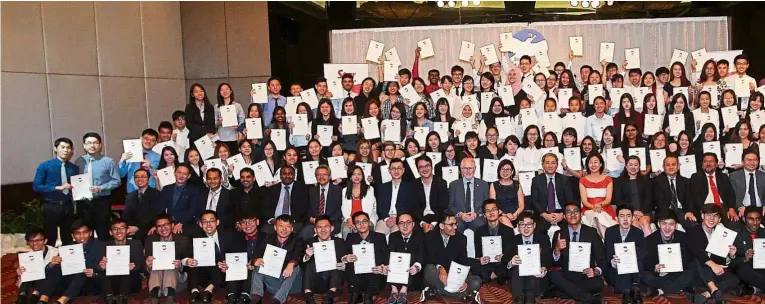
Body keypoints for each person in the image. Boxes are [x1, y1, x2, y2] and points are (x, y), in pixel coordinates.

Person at [549, 202, 607, 304]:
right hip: (567, 275)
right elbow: (553, 263)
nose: (572, 215)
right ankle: (589, 299)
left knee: (598, 283)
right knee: (553, 275)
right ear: (564, 216)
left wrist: (596, 271)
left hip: (585, 276)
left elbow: (602, 259)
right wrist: (557, 249)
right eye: (569, 212)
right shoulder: (559, 234)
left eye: (575, 211)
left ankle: (564, 292)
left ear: (580, 214)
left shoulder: (592, 233)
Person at [420, 211, 482, 304]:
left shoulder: (461, 238)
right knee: (429, 269)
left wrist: (462, 279)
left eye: (456, 223)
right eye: (451, 225)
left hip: (454, 274)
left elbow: (462, 261)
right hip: (437, 273)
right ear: (441, 226)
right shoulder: (430, 237)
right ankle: (465, 295)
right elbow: (428, 258)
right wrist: (441, 268)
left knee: (477, 281)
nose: (455, 227)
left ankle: (436, 292)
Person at [686, 203, 741, 303]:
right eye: (709, 215)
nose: (712, 218)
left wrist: (731, 255)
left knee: (735, 279)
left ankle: (708, 293)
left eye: (715, 215)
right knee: (700, 259)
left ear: (719, 219)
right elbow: (697, 252)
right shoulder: (692, 232)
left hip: (714, 274)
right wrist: (712, 264)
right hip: (698, 272)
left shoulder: (722, 234)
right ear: (702, 216)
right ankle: (714, 289)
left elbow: (723, 262)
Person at [74, 132, 121, 241]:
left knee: (103, 231)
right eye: (89, 143)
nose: (92, 145)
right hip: (84, 202)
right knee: (85, 232)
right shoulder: (79, 161)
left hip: (102, 201)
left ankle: (104, 255)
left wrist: (101, 187)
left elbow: (116, 181)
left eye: (95, 143)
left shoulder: (108, 161)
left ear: (100, 145)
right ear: (84, 145)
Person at [33, 137, 79, 246]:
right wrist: (57, 188)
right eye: (62, 147)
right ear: (55, 149)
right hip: (50, 205)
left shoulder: (73, 168)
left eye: (68, 148)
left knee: (68, 236)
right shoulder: (45, 166)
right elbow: (36, 186)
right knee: (50, 237)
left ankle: (68, 261)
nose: (66, 150)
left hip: (68, 206)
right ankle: (51, 261)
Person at [640, 211, 696, 298]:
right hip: (658, 275)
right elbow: (646, 263)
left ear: (676, 225)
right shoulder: (649, 240)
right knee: (646, 276)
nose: (667, 227)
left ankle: (660, 291)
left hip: (677, 273)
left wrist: (677, 263)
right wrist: (655, 267)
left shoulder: (683, 237)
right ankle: (677, 287)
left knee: (690, 272)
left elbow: (688, 259)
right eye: (664, 223)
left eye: (671, 224)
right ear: (659, 224)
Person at [251, 215, 304, 304]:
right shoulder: (268, 238)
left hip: (290, 284)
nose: (284, 229)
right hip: (273, 280)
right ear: (275, 227)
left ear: (292, 229)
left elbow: (298, 254)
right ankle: (256, 298)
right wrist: (255, 260)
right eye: (281, 226)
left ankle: (277, 300)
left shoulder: (298, 240)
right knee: (258, 264)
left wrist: (291, 263)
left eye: (287, 226)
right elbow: (256, 254)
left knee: (295, 266)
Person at [185, 210, 234, 303]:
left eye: (211, 221)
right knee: (193, 261)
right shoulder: (195, 237)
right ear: (200, 224)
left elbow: (235, 254)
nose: (208, 224)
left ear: (217, 222)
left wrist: (228, 263)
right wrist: (187, 260)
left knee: (218, 261)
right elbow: (185, 255)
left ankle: (209, 290)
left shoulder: (228, 235)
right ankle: (194, 291)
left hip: (223, 273)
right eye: (205, 221)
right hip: (203, 274)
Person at [505, 211, 552, 304]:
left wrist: (544, 268)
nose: (526, 228)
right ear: (518, 227)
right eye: (522, 225)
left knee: (534, 273)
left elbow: (548, 259)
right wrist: (511, 262)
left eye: (529, 224)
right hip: (518, 279)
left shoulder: (543, 238)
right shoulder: (513, 240)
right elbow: (505, 258)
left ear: (534, 225)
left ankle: (530, 298)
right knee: (516, 269)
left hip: (536, 278)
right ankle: (519, 299)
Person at [603, 205, 646, 303]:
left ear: (633, 218)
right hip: (615, 269)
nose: (625, 219)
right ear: (617, 218)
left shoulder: (638, 233)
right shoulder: (610, 231)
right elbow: (607, 253)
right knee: (619, 266)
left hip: (633, 270)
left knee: (636, 261)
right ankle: (632, 290)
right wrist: (612, 261)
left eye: (628, 216)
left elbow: (643, 252)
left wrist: (630, 256)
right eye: (622, 216)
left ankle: (629, 291)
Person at [53, 219, 103, 304]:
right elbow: (59, 270)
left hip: (92, 283)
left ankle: (63, 300)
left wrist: (95, 273)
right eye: (77, 233)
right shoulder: (67, 248)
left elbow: (107, 271)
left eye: (85, 232)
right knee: (53, 269)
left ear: (90, 233)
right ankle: (41, 299)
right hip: (71, 283)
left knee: (83, 270)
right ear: (73, 235)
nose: (82, 236)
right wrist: (54, 263)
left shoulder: (100, 246)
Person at [343, 211, 388, 304]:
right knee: (350, 263)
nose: (361, 224)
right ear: (354, 226)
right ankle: (355, 293)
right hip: (357, 277)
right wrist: (346, 258)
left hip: (374, 276)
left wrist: (382, 266)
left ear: (369, 223)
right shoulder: (350, 237)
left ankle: (369, 295)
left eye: (364, 221)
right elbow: (345, 255)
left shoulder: (380, 237)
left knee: (376, 265)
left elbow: (385, 257)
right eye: (358, 222)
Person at [144, 213, 190, 304]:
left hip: (177, 278)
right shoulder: (150, 240)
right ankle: (154, 297)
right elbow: (145, 263)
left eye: (166, 225)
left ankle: (170, 297)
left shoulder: (183, 240)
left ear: (172, 225)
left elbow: (187, 262)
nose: (163, 228)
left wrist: (180, 263)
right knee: (155, 267)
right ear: (156, 230)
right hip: (156, 277)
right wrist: (148, 263)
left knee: (171, 265)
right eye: (159, 226)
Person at [219, 211, 264, 304]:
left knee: (253, 270)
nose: (247, 225)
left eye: (251, 221)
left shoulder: (266, 237)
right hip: (238, 273)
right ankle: (231, 296)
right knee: (231, 266)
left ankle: (245, 296)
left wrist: (254, 263)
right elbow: (227, 254)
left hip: (257, 275)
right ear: (239, 224)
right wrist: (223, 263)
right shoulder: (235, 237)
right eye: (244, 222)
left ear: (257, 222)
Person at [97, 218, 145, 304]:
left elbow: (141, 264)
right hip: (112, 283)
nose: (119, 231)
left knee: (126, 268)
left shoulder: (136, 244)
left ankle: (123, 297)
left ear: (127, 230)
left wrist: (134, 266)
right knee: (103, 271)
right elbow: (97, 266)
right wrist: (101, 266)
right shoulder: (104, 246)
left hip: (131, 282)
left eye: (122, 228)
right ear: (110, 232)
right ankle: (109, 297)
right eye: (115, 229)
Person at [302, 216, 347, 304]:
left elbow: (347, 263)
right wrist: (307, 256)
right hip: (315, 282)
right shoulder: (309, 242)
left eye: (326, 226)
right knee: (309, 263)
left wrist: (344, 265)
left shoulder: (340, 242)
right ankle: (309, 296)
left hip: (333, 283)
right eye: (319, 227)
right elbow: (301, 266)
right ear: (315, 230)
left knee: (336, 263)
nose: (323, 230)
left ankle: (329, 298)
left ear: (332, 228)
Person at [386, 212, 427, 303]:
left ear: (413, 224)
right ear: (397, 225)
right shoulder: (393, 236)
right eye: (401, 223)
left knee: (409, 257)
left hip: (413, 274)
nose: (405, 226)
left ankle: (403, 291)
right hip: (396, 275)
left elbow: (422, 254)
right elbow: (389, 253)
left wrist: (417, 266)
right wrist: (387, 265)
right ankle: (394, 290)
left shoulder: (420, 236)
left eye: (408, 222)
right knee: (392, 259)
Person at [530, 153, 575, 234]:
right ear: (542, 165)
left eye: (553, 163)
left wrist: (563, 214)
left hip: (561, 212)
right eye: (547, 163)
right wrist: (545, 215)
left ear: (557, 165)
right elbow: (534, 201)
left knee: (568, 231)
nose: (550, 166)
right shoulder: (536, 180)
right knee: (539, 232)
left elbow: (570, 200)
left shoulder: (565, 179)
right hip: (543, 213)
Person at [472, 199, 514, 284]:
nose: (491, 213)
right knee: (474, 266)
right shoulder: (478, 231)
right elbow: (478, 254)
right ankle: (494, 277)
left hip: (502, 263)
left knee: (510, 264)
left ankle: (490, 277)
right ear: (484, 215)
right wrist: (481, 259)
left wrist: (503, 257)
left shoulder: (508, 231)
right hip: (487, 264)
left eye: (494, 209)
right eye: (488, 211)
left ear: (499, 211)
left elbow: (510, 253)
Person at [14, 228, 61, 304]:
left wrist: (51, 264)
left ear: (45, 241)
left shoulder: (55, 252)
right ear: (28, 242)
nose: (34, 243)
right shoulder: (27, 256)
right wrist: (20, 274)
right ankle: (22, 297)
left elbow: (57, 273)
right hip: (34, 283)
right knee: (26, 273)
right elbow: (20, 282)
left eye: (38, 240)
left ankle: (32, 295)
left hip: (50, 284)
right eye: (31, 241)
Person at [612, 156, 654, 236]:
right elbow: (619, 201)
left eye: (636, 165)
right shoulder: (619, 181)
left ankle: (650, 246)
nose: (633, 167)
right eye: (630, 164)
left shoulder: (646, 181)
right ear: (626, 166)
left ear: (639, 166)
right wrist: (632, 212)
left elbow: (649, 200)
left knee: (644, 222)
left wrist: (641, 212)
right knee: (635, 225)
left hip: (644, 212)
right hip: (627, 213)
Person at [690, 153, 737, 222]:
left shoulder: (723, 177)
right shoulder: (696, 177)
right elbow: (695, 197)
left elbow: (730, 194)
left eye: (711, 161)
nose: (708, 164)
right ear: (702, 164)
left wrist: (731, 208)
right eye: (705, 161)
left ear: (716, 164)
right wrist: (702, 210)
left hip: (722, 207)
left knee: (733, 224)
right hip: (705, 208)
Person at [260, 165, 308, 234]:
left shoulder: (302, 189)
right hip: (274, 222)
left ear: (294, 176)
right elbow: (265, 208)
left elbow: (304, 209)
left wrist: (292, 221)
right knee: (265, 230)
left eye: (290, 174)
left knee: (297, 230)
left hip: (293, 223)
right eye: (284, 174)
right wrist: (271, 220)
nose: (287, 176)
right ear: (280, 176)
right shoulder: (271, 190)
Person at [579, 152, 616, 238]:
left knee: (598, 217)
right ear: (587, 165)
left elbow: (608, 200)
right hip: (588, 209)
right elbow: (584, 201)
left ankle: (604, 242)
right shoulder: (582, 180)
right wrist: (594, 207)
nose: (593, 165)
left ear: (601, 164)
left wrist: (599, 205)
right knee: (596, 215)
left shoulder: (608, 179)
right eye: (590, 162)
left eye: (595, 162)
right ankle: (605, 242)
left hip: (605, 208)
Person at [730, 206, 765, 295]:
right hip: (743, 267)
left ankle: (754, 289)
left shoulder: (763, 232)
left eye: (758, 219)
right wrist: (745, 258)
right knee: (742, 268)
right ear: (744, 219)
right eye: (751, 219)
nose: (755, 223)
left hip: (761, 266)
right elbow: (730, 262)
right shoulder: (736, 234)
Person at [448, 158, 490, 232]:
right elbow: (451, 205)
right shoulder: (453, 185)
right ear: (461, 169)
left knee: (481, 227)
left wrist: (476, 214)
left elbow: (486, 205)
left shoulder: (483, 184)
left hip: (477, 217)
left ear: (475, 169)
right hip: (459, 218)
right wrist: (460, 214)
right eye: (465, 168)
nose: (468, 171)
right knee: (456, 227)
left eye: (470, 168)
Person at [161, 164, 203, 237]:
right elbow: (161, 209)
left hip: (186, 222)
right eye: (179, 172)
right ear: (174, 173)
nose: (181, 176)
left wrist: (181, 223)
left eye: (184, 174)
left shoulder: (194, 190)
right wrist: (168, 223)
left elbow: (192, 209)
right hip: (168, 222)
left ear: (189, 176)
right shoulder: (166, 189)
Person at [412, 155, 449, 233]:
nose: (424, 169)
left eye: (427, 166)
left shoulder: (441, 183)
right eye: (421, 167)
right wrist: (423, 223)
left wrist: (433, 224)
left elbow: (443, 207)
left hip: (437, 218)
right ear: (418, 170)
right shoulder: (414, 184)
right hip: (420, 219)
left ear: (432, 167)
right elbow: (414, 207)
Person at [122, 169, 162, 243]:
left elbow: (154, 214)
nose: (139, 179)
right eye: (136, 177)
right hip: (132, 228)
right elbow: (126, 215)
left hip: (149, 227)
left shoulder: (156, 194)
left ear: (149, 179)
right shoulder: (130, 196)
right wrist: (127, 227)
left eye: (143, 177)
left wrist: (137, 227)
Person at [376, 158, 412, 235]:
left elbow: (410, 207)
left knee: (397, 234)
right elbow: (380, 207)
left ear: (403, 170)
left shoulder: (410, 187)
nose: (396, 171)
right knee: (379, 234)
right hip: (385, 218)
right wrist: (386, 219)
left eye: (399, 168)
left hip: (401, 219)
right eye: (393, 168)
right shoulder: (382, 187)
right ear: (389, 171)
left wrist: (397, 218)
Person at [341, 166, 378, 238]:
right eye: (354, 174)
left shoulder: (369, 189)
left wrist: (362, 221)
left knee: (367, 229)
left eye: (359, 174)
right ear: (350, 177)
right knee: (346, 229)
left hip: (367, 218)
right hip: (350, 218)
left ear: (362, 176)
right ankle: (348, 249)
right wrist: (349, 219)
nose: (357, 176)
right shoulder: (345, 190)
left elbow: (371, 208)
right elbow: (344, 207)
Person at [729, 150, 765, 219]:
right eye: (748, 160)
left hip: (761, 209)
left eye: (755, 160)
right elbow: (732, 195)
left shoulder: (763, 175)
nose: (752, 163)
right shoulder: (734, 176)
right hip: (743, 208)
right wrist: (740, 207)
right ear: (742, 162)